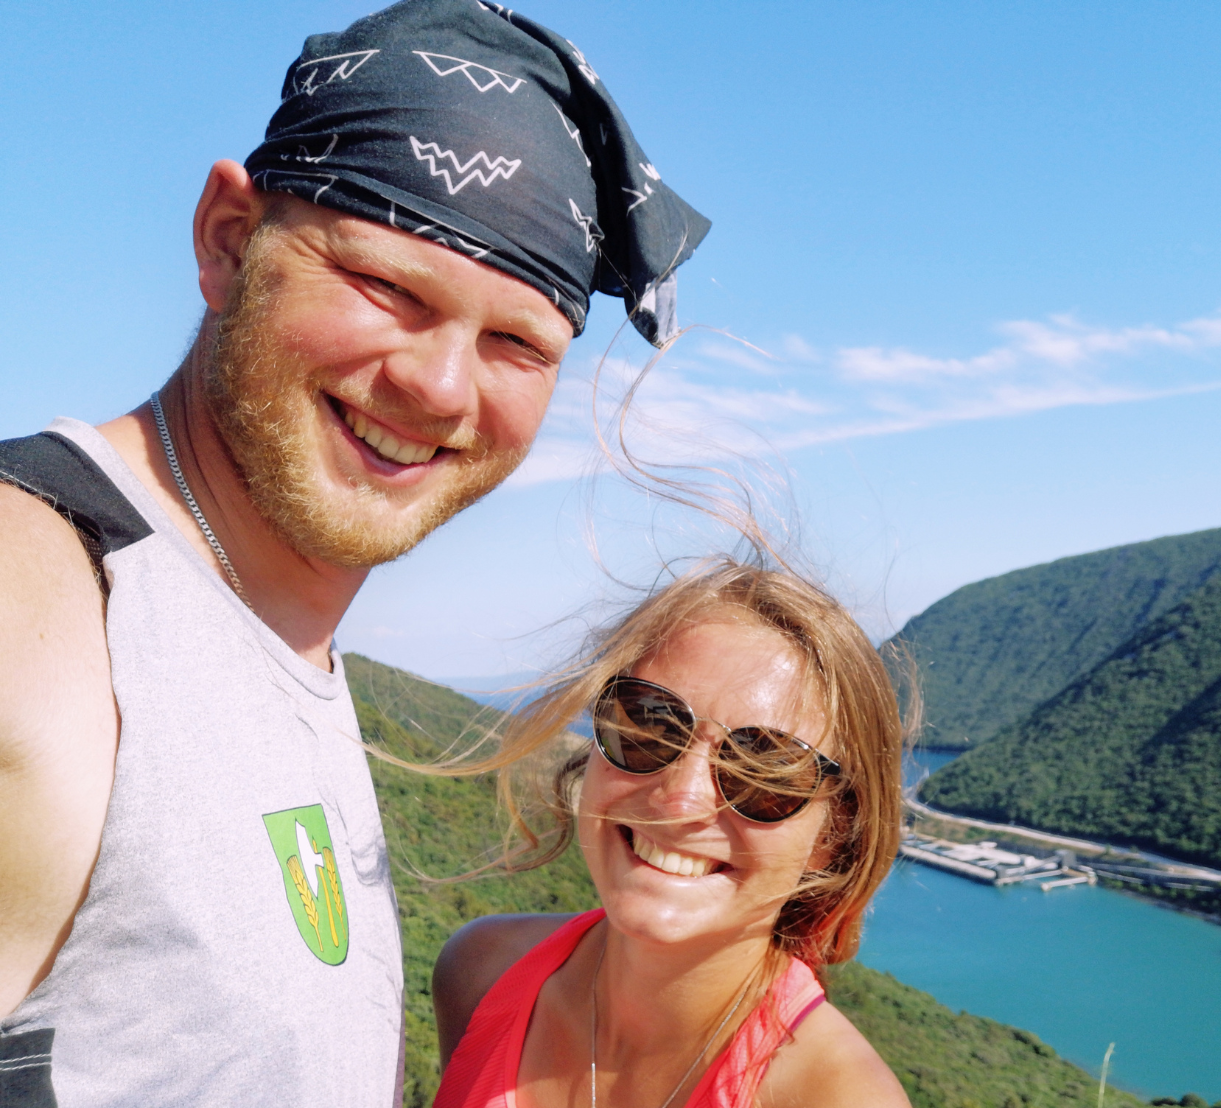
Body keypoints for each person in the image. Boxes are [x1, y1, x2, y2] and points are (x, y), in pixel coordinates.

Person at [0, 1, 708, 1104]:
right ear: (228, 240)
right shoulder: (42, 591)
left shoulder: (269, 629)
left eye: (517, 343)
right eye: (386, 287)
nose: (440, 387)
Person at [429, 560, 912, 1108]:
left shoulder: (832, 1097)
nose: (681, 799)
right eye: (647, 724)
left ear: (833, 836)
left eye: (764, 771)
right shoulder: (480, 972)